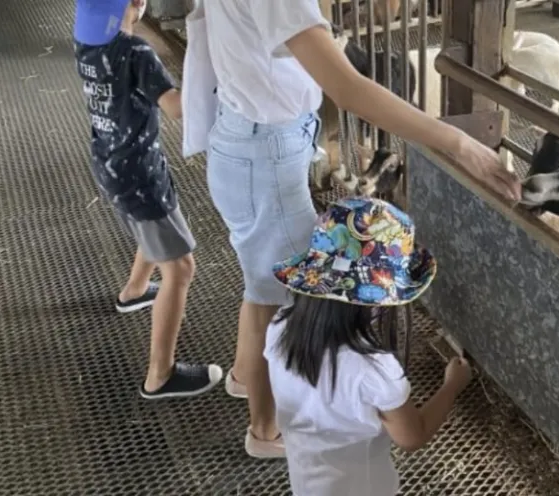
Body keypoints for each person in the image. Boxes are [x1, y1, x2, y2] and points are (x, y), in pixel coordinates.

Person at [204, 0, 520, 457]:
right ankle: (265, 430)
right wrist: (459, 143)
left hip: (249, 138)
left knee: (263, 287)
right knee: (281, 302)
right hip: (266, 151)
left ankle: (246, 377)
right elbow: (348, 89)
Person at [265, 197, 473, 494]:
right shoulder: (373, 367)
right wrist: (452, 385)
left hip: (305, 482)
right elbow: (412, 437)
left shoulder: (280, 326)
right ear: (377, 299)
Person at [73, 0, 222, 398]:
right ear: (138, 4)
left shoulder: (85, 43)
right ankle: (160, 375)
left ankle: (135, 291)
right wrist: (215, 71)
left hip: (110, 164)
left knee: (151, 228)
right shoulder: (136, 51)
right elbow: (176, 108)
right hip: (140, 174)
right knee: (181, 268)